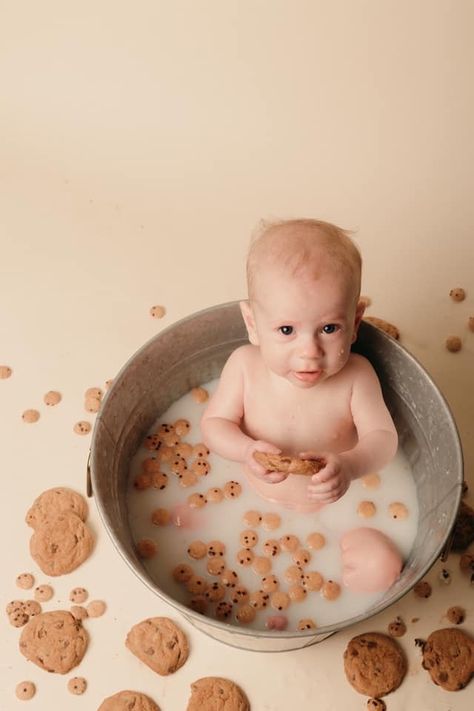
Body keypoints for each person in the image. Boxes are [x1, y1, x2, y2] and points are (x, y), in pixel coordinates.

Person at [200, 218, 402, 592]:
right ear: (253, 323)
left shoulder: (357, 375)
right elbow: (214, 424)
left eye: (329, 329)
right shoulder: (244, 366)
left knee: (384, 570)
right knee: (197, 539)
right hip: (251, 496)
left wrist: (351, 466)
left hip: (337, 507)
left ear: (355, 322)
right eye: (287, 330)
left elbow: (383, 438)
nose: (309, 351)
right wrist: (245, 451)